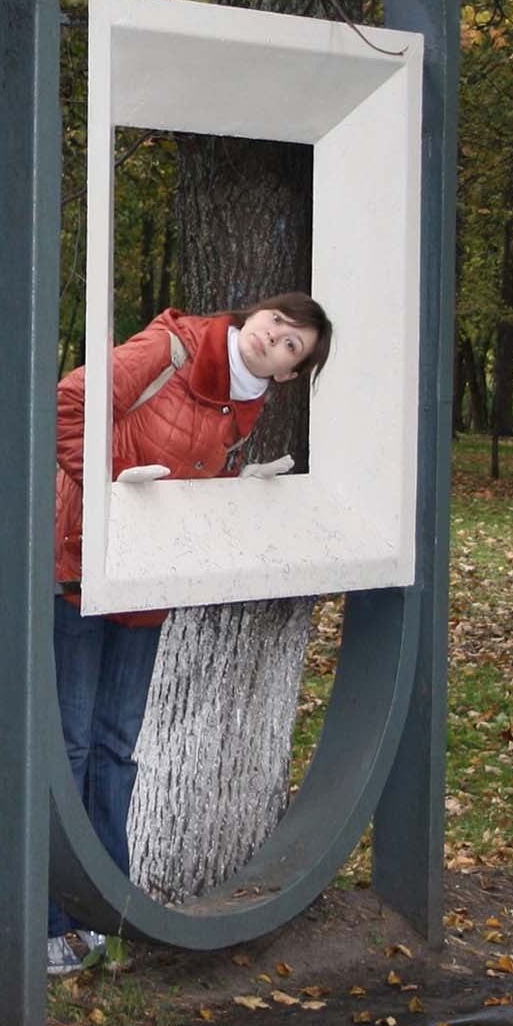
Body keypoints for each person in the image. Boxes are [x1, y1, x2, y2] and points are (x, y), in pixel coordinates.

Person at [47, 293, 331, 978]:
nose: (275, 337)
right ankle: (51, 921)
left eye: (292, 344)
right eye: (276, 322)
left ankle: (104, 913)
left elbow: (181, 469)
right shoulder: (172, 346)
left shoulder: (243, 404)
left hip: (146, 583)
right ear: (253, 316)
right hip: (80, 563)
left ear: (290, 372)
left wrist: (230, 493)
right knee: (71, 744)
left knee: (116, 748)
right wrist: (115, 488)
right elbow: (67, 403)